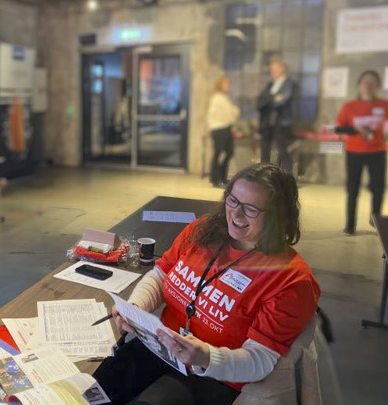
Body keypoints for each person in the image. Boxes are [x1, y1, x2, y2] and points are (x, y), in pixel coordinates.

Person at [93, 163, 320, 405]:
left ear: (278, 216)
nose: (236, 214)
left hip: (214, 375)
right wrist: (136, 307)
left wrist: (206, 357)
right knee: (91, 391)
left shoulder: (292, 280)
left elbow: (260, 361)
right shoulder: (203, 231)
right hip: (161, 346)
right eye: (232, 201)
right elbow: (161, 274)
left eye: (251, 209)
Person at [336, 70, 388, 235]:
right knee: (353, 189)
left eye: (372, 83)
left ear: (377, 86)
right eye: (365, 82)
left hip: (378, 152)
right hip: (354, 153)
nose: (368, 85)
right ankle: (350, 225)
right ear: (359, 85)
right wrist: (355, 128)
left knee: (378, 188)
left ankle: (376, 223)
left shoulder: (384, 105)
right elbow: (338, 128)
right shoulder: (349, 107)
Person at [257, 57, 296, 172]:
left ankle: (286, 178)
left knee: (282, 151)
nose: (272, 71)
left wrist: (270, 99)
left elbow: (282, 101)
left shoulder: (289, 84)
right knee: (264, 150)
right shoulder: (270, 84)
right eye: (271, 69)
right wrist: (273, 97)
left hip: (281, 121)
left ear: (282, 69)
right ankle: (264, 175)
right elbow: (261, 100)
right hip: (267, 121)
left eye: (274, 69)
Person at [207, 76, 240, 187]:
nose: (228, 86)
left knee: (229, 153)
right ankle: (216, 180)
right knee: (218, 154)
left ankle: (222, 177)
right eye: (226, 83)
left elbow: (232, 113)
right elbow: (227, 114)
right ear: (220, 85)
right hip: (219, 129)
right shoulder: (217, 98)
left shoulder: (224, 98)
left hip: (226, 129)